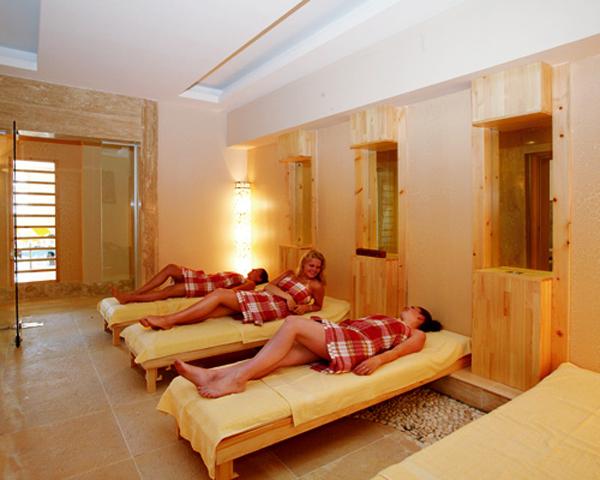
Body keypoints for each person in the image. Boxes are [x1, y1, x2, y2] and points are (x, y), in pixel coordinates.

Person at [174, 306, 442, 398]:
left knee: (292, 323)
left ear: (420, 317)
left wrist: (378, 360)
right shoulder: (389, 319)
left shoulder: (416, 333)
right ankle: (213, 375)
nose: (407, 308)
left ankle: (237, 380)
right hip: (342, 338)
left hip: (356, 346)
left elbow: (400, 352)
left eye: (412, 308)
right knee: (278, 356)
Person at [138, 249, 326, 330]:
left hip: (275, 308)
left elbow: (318, 305)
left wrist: (305, 307)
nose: (314, 270)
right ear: (304, 264)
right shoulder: (290, 273)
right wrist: (288, 296)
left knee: (220, 294)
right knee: (211, 311)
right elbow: (269, 286)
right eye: (311, 266)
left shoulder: (316, 285)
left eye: (318, 268)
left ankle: (167, 320)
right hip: (264, 297)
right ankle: (171, 321)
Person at [112, 264, 269, 304]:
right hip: (202, 278)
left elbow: (233, 292)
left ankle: (130, 298)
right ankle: (135, 293)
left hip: (205, 286)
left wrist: (213, 296)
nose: (252, 269)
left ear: (259, 278)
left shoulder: (250, 284)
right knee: (170, 268)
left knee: (167, 292)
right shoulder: (242, 276)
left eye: (256, 270)